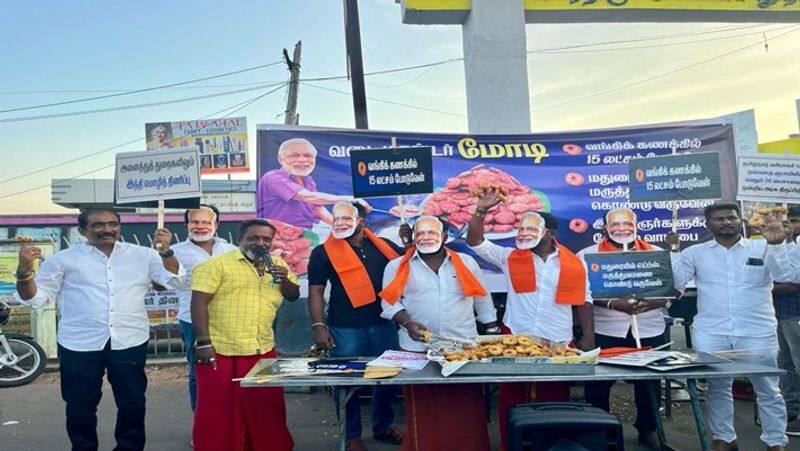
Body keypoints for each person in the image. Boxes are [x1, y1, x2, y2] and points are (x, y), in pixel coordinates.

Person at [13, 208, 184, 451]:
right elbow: (35, 298)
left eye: (113, 224)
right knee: (80, 406)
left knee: (132, 403)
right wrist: (24, 271)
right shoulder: (64, 259)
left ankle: (129, 447)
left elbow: (174, 280)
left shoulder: (143, 255)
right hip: (79, 343)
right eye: (98, 225)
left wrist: (166, 251)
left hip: (129, 340)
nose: (107, 229)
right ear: (82, 230)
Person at [465, 186, 594, 450]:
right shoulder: (509, 257)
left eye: (530, 228)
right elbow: (475, 241)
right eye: (521, 229)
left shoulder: (573, 263)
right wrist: (480, 211)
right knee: (511, 396)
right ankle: (510, 445)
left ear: (550, 233)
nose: (523, 233)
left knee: (553, 399)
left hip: (557, 339)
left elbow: (584, 299)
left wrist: (589, 338)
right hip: (515, 337)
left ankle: (546, 445)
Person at [671, 202, 797, 451]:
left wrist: (776, 244)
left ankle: (776, 441)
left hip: (757, 330)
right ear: (708, 223)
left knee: (768, 388)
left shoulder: (762, 246)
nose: (725, 222)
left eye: (730, 217)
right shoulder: (695, 253)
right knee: (718, 387)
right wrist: (674, 250)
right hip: (712, 330)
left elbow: (787, 275)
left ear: (740, 220)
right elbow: (678, 282)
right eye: (719, 219)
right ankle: (724, 438)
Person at [381, 215, 497, 451]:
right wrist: (407, 322)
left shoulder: (465, 262)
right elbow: (389, 304)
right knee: (424, 406)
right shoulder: (396, 266)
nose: (426, 237)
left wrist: (492, 327)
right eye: (420, 233)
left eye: (432, 233)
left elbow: (481, 298)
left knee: (466, 405)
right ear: (413, 237)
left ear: (444, 236)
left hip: (463, 348)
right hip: (416, 348)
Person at [190, 219, 298, 451]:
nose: (260, 243)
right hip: (221, 349)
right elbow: (198, 303)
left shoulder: (278, 264)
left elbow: (292, 295)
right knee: (219, 409)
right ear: (240, 240)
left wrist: (284, 278)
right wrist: (203, 342)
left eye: (266, 239)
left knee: (265, 407)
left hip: (262, 348)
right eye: (253, 238)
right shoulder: (216, 265)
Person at [308, 201, 405, 451]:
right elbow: (316, 291)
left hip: (384, 323)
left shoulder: (384, 247)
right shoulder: (322, 252)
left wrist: (409, 243)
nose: (340, 223)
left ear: (362, 221)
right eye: (336, 218)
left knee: (388, 378)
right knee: (347, 381)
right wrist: (319, 325)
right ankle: (351, 435)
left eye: (347, 218)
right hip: (345, 326)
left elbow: (409, 266)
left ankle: (383, 426)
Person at [577, 207, 678, 448]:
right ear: (605, 228)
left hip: (649, 327)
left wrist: (653, 302)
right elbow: (582, 293)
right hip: (606, 328)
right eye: (615, 224)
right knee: (599, 384)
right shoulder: (588, 255)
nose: (622, 228)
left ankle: (648, 429)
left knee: (649, 383)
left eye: (627, 223)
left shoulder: (656, 253)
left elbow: (674, 290)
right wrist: (612, 303)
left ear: (637, 225)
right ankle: (600, 430)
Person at [170, 205, 237, 412]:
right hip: (193, 322)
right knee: (199, 372)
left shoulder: (231, 250)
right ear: (186, 225)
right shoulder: (175, 252)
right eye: (195, 222)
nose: (200, 227)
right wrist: (164, 254)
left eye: (206, 222)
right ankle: (201, 425)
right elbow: (166, 282)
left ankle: (229, 424)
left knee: (231, 371)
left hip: (230, 320)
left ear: (216, 225)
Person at [257, 137, 368, 228]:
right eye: (294, 155)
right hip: (277, 236)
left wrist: (337, 226)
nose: (302, 160)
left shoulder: (308, 181)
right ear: (281, 159)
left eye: (308, 155)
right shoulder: (273, 177)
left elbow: (317, 208)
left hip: (308, 233)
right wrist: (350, 199)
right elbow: (308, 197)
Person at [773, 205, 800, 436]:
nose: (789, 226)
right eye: (786, 221)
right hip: (781, 314)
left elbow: (792, 282)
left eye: (793, 221)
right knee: (786, 364)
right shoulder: (777, 245)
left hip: (796, 312)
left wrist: (760, 289)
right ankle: (791, 411)